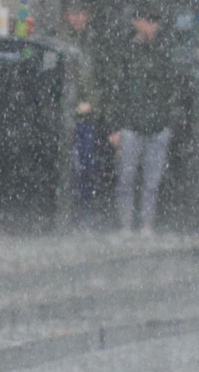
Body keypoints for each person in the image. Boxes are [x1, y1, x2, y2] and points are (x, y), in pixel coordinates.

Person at [105, 3, 175, 237]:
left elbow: (172, 90)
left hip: (157, 127)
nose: (151, 27)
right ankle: (126, 225)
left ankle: (146, 225)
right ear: (137, 23)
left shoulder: (164, 52)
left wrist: (168, 123)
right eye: (147, 21)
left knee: (151, 183)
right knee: (126, 179)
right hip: (131, 127)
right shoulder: (125, 53)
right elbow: (115, 92)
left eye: (154, 22)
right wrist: (114, 127)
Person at [56, 0, 103, 229]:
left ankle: (84, 215)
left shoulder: (95, 42)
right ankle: (65, 216)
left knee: (86, 168)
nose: (79, 18)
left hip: (87, 118)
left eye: (83, 13)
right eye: (74, 12)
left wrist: (92, 104)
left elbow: (103, 81)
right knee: (67, 169)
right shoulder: (56, 41)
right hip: (63, 117)